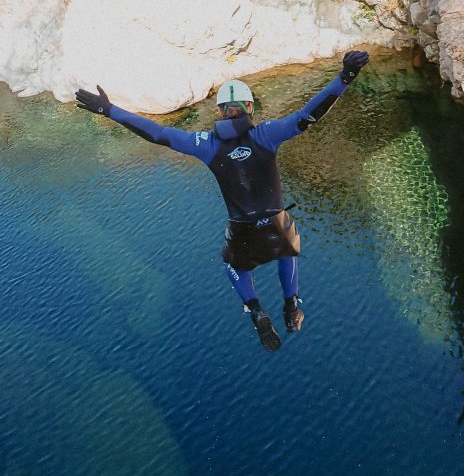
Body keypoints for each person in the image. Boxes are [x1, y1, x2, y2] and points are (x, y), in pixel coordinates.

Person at [75, 50, 369, 351]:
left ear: (219, 112)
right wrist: (345, 76)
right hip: (274, 224)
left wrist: (110, 110)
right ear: (250, 107)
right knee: (287, 245)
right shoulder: (267, 134)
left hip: (243, 230)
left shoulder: (206, 144)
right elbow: (309, 114)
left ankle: (255, 310)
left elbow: (158, 134)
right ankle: (291, 305)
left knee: (234, 266)